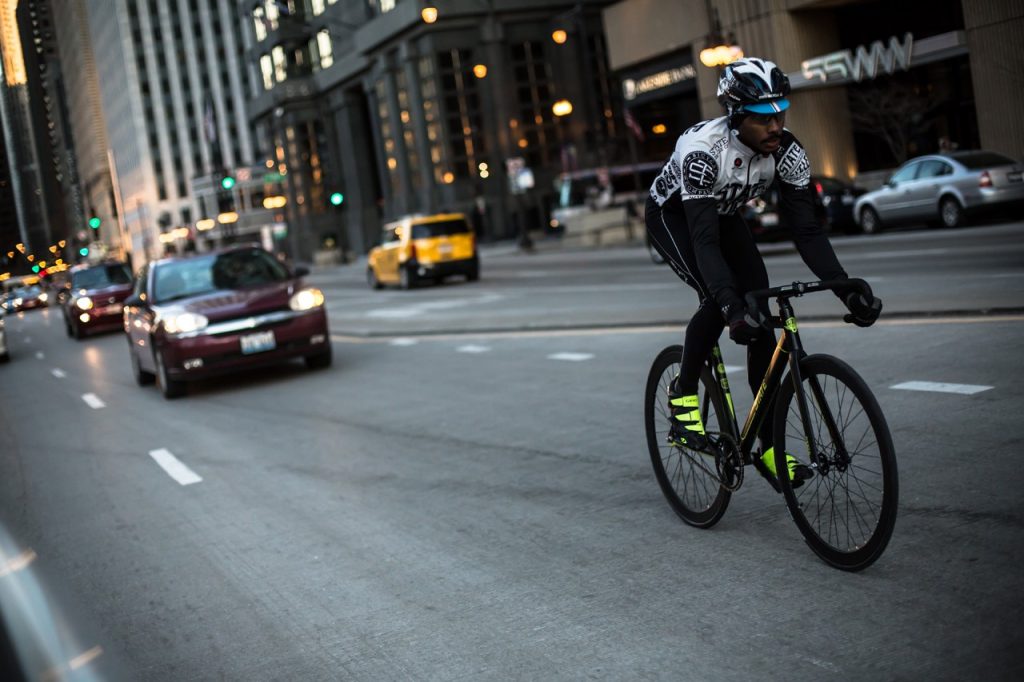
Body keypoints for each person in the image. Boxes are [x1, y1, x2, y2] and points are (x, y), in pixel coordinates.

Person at [645, 57, 882, 485]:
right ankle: (682, 401)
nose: (776, 126)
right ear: (736, 117)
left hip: (726, 214)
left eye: (781, 113)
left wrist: (845, 289)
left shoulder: (789, 152)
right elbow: (704, 243)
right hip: (676, 217)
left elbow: (807, 231)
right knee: (720, 302)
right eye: (762, 118)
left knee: (763, 324)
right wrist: (732, 308)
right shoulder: (703, 154)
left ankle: (769, 448)